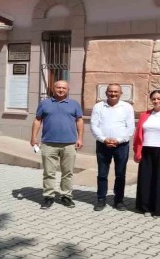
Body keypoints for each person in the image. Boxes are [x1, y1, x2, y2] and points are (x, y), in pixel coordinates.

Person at [30, 80, 83, 210]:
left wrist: (80, 138)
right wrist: (33, 137)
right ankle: (48, 197)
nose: (61, 90)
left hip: (69, 144)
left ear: (68, 90)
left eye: (64, 88)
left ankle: (66, 196)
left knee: (68, 172)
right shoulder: (44, 103)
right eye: (58, 87)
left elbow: (79, 121)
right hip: (49, 143)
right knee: (49, 172)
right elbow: (37, 120)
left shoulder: (74, 104)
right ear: (53, 89)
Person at [90, 84, 135, 211]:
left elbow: (130, 127)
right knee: (102, 174)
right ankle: (101, 200)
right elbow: (94, 125)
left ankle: (119, 201)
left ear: (120, 93)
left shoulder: (127, 107)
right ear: (106, 93)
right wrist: (104, 139)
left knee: (120, 174)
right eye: (110, 91)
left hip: (121, 146)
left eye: (116, 92)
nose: (113, 94)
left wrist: (118, 140)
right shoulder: (99, 106)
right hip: (102, 145)